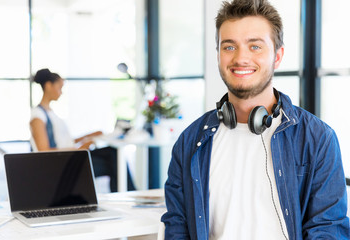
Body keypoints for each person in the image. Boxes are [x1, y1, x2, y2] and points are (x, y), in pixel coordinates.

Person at [161, 0, 349, 239]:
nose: (241, 58)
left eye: (255, 47)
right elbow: (177, 225)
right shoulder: (190, 141)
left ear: (278, 56)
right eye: (229, 47)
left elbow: (328, 229)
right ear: (218, 55)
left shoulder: (318, 138)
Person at [30, 68, 135, 192]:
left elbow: (65, 141)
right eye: (59, 88)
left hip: (71, 155)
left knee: (113, 153)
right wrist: (80, 149)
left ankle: (126, 193)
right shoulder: (38, 116)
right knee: (114, 162)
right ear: (48, 86)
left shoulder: (51, 113)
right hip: (63, 163)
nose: (61, 92)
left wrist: (90, 136)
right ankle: (128, 194)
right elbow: (43, 151)